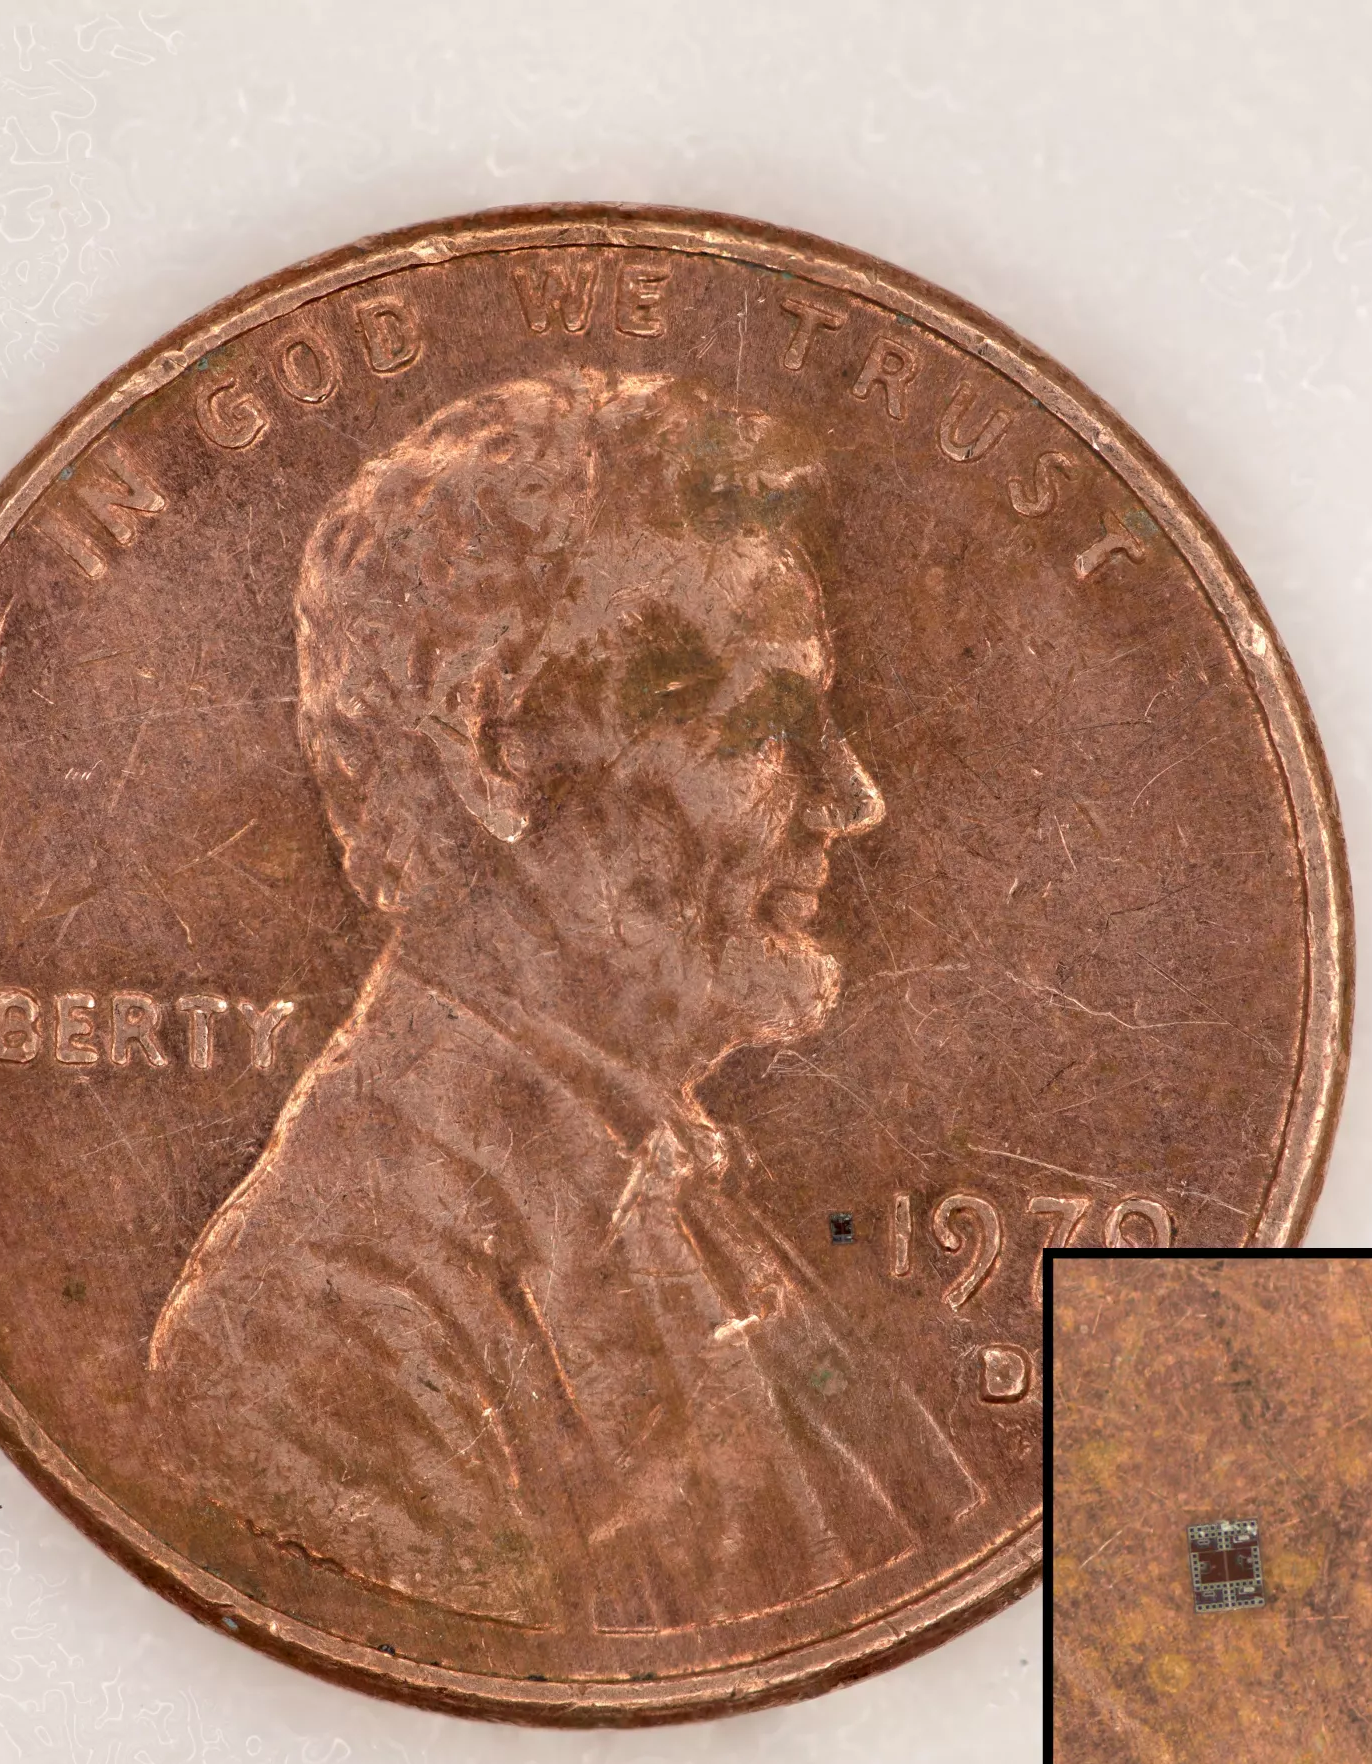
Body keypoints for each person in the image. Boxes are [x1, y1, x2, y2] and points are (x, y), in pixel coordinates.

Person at [147, 368, 977, 1635]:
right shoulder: (317, 1328)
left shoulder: (667, 1198)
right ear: (495, 752)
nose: (851, 796)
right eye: (763, 719)